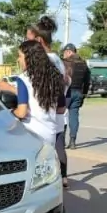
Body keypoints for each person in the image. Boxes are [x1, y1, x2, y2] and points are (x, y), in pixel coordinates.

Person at [0, 40, 65, 150]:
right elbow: (61, 109)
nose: (18, 60)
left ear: (29, 58)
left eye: (20, 56)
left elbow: (22, 113)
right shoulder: (55, 77)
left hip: (31, 134)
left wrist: (10, 112)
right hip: (50, 135)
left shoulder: (24, 79)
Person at [26, 16, 69, 187]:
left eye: (28, 40)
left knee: (44, 160)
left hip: (45, 117)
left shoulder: (47, 61)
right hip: (54, 115)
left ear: (38, 40)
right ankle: (61, 179)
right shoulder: (56, 59)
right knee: (54, 152)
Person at [61, 43, 91, 149]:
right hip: (78, 92)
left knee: (62, 115)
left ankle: (62, 141)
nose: (63, 55)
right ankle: (73, 141)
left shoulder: (64, 63)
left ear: (69, 52)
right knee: (74, 116)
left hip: (66, 92)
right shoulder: (83, 64)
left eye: (64, 52)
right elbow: (87, 81)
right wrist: (84, 95)